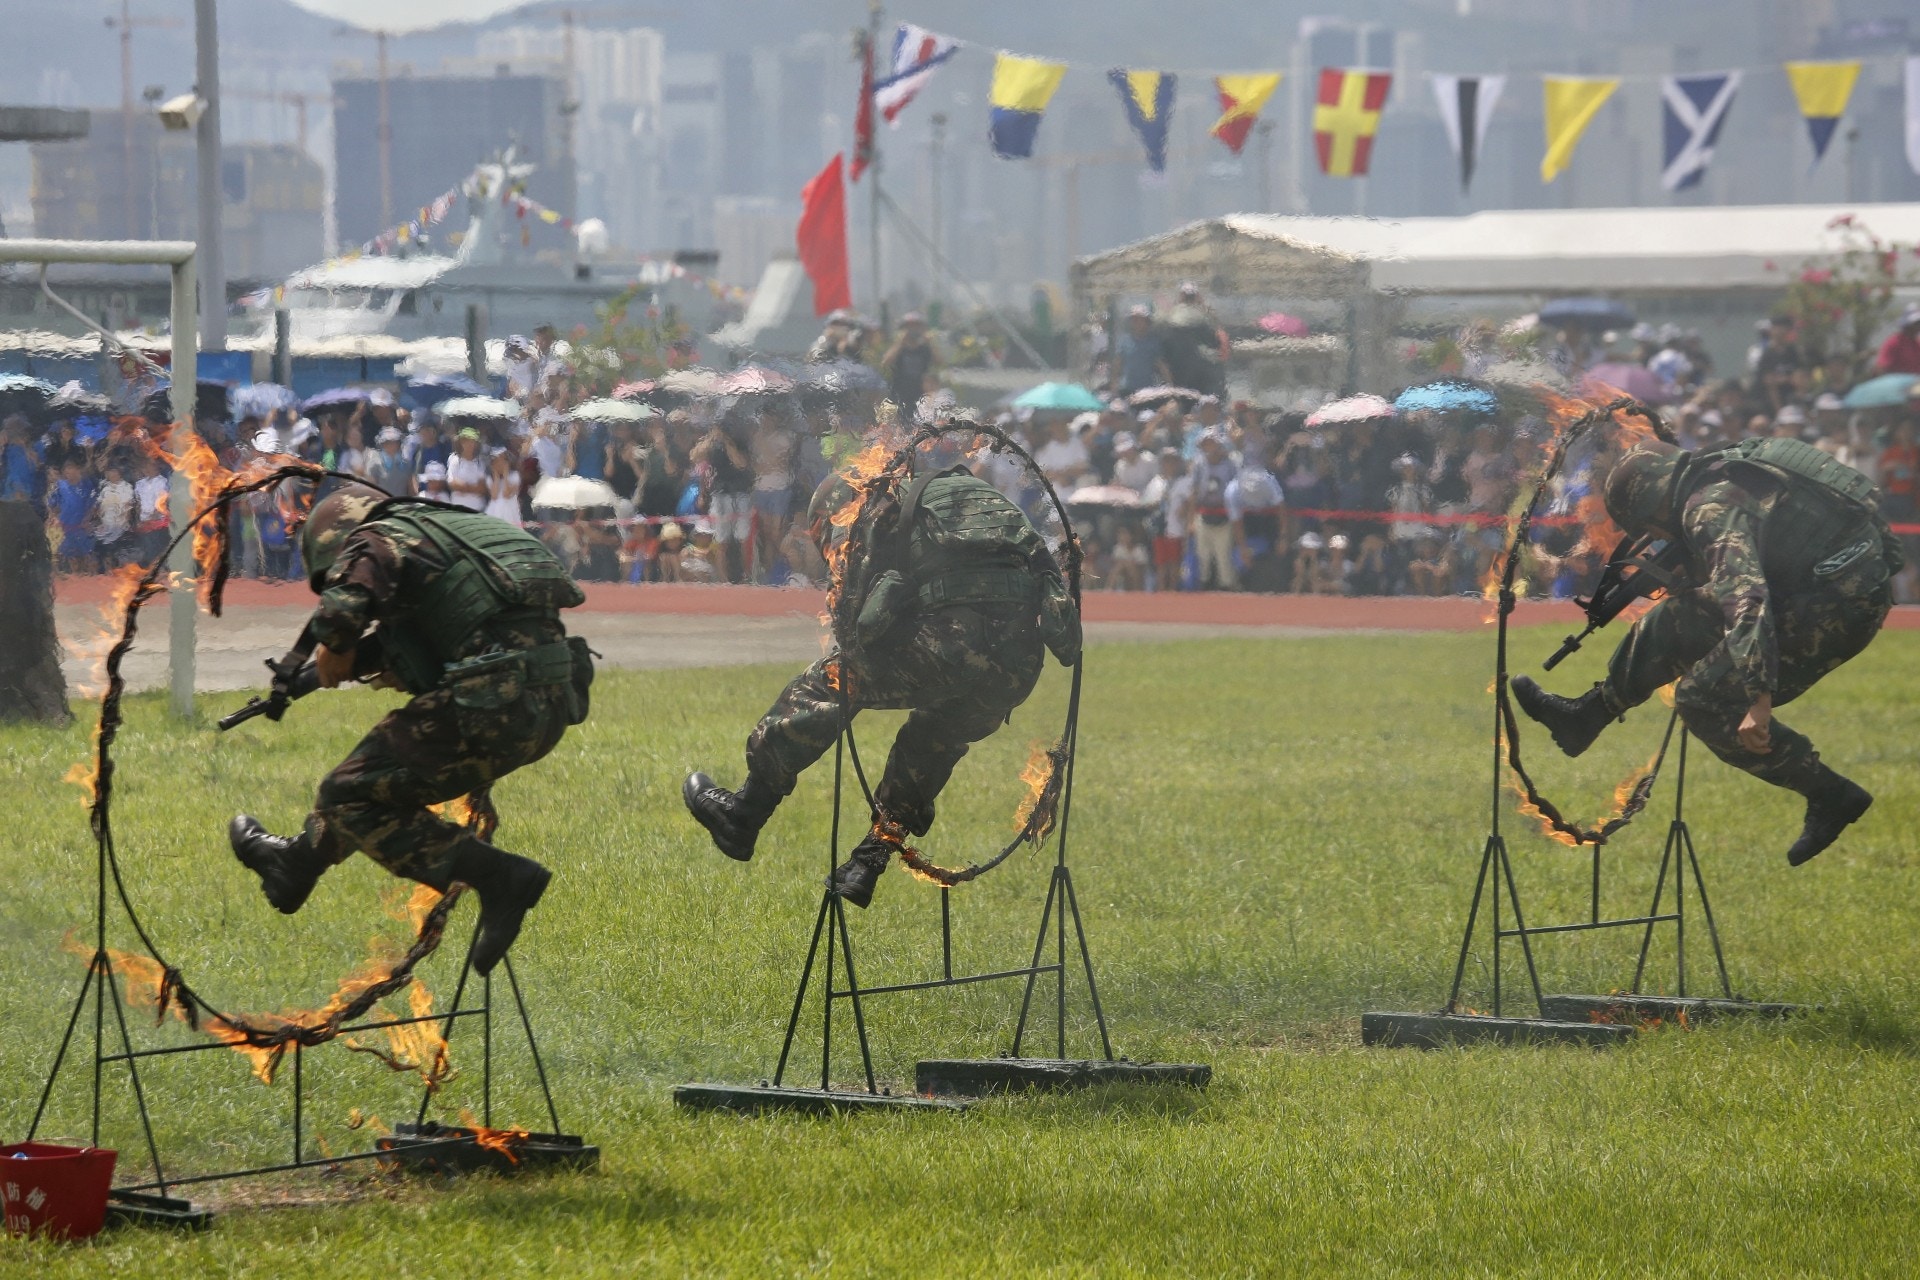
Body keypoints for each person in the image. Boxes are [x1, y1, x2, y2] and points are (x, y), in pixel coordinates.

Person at [683, 452, 1081, 908]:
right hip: (1015, 669)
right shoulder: (994, 507)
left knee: (826, 683)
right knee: (933, 741)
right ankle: (866, 864)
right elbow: (1058, 612)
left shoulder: (882, 506)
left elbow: (859, 625)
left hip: (948, 645)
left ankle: (744, 815)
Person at [226, 484, 594, 976]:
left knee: (346, 793)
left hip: (491, 701)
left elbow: (342, 609)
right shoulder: (451, 532)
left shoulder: (376, 536)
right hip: (546, 707)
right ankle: (293, 865)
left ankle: (501, 877)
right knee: (374, 790)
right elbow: (450, 624)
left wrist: (333, 650)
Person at [1513, 439, 1902, 867]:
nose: (1658, 539)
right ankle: (1588, 715)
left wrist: (1757, 696)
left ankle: (1830, 794)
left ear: (1655, 507)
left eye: (1653, 531)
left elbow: (1746, 597)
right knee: (1674, 619)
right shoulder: (1719, 471)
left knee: (1703, 699)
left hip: (1839, 608)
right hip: (1813, 585)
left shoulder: (1708, 508)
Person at [881, 313, 941, 412]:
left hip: (920, 394)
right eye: (909, 327)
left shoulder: (925, 348)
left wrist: (930, 342)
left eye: (916, 327)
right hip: (900, 392)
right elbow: (886, 362)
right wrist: (900, 341)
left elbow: (939, 362)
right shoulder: (899, 348)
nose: (913, 330)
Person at [1112, 306, 1169, 398]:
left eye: (1140, 319)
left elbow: (1161, 365)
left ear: (1147, 322)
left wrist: (1169, 385)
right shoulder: (1124, 342)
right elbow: (1117, 365)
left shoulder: (1153, 342)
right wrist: (1114, 389)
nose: (1137, 322)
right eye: (1134, 320)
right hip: (1127, 389)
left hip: (1147, 390)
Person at [444, 428, 489, 513]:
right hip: (458, 509)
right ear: (460, 442)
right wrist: (473, 488)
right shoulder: (454, 459)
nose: (469, 444)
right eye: (466, 441)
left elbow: (482, 489)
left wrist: (464, 488)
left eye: (472, 441)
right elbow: (452, 484)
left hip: (478, 509)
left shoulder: (480, 462)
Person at [1874, 304, 1920, 376]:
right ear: (1907, 325)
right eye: (1916, 324)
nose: (1918, 327)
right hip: (1897, 384)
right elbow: (1882, 368)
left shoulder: (1917, 344)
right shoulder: (1894, 343)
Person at [483, 447, 523, 524]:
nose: (500, 463)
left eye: (503, 460)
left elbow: (507, 494)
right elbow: (494, 496)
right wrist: (496, 476)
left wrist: (505, 475)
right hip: (494, 511)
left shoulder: (515, 475)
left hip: (510, 511)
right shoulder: (489, 478)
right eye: (497, 461)